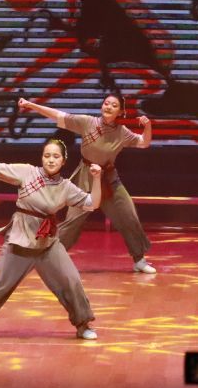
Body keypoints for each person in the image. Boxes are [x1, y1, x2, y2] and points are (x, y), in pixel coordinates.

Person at [0, 137, 101, 338]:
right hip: (20, 241)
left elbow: (92, 203)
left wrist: (97, 178)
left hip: (47, 243)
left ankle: (83, 325)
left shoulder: (65, 187)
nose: (51, 160)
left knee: (71, 280)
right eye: (47, 155)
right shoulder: (27, 172)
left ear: (63, 161)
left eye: (56, 156)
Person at [17, 92, 157, 272]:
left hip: (109, 179)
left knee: (128, 216)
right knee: (72, 222)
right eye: (106, 103)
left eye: (114, 105)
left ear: (121, 112)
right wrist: (31, 105)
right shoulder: (87, 122)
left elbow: (144, 142)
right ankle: (49, 257)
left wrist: (148, 126)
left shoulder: (122, 132)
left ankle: (139, 260)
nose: (109, 107)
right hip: (85, 177)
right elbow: (58, 115)